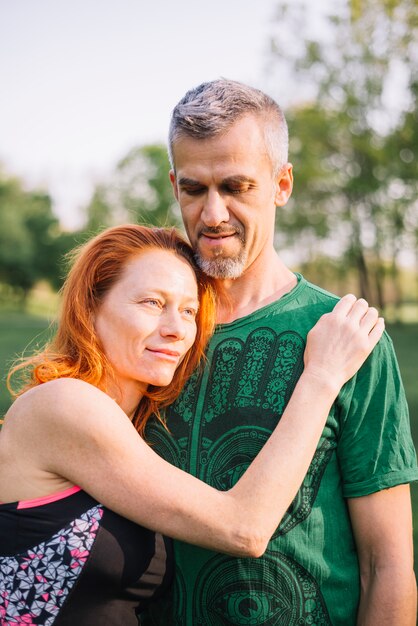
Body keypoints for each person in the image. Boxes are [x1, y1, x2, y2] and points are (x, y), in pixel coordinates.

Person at [0, 224, 383, 625]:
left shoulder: (131, 428)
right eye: (151, 302)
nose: (176, 329)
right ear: (91, 306)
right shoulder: (62, 404)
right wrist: (321, 377)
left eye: (188, 311)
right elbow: (243, 528)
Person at [140, 80, 418, 626]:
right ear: (174, 185)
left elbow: (387, 564)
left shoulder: (347, 337)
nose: (213, 213)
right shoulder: (149, 334)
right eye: (194, 189)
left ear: (281, 184)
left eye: (237, 186)